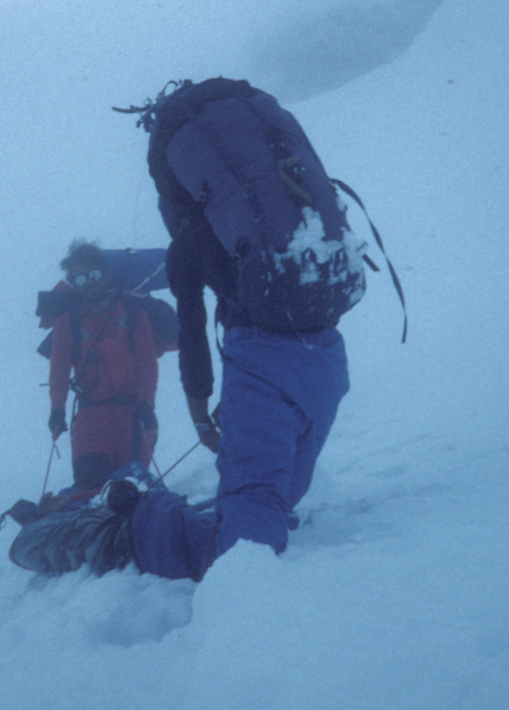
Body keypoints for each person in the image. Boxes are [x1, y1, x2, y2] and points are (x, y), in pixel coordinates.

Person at [122, 78, 364, 580]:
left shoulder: (191, 245)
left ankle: (140, 539)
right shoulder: (277, 226)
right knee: (274, 500)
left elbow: (192, 335)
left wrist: (202, 417)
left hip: (261, 362)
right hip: (325, 355)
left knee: (250, 520)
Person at [42, 241, 161, 508]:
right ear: (73, 283)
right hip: (91, 420)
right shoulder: (68, 323)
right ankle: (73, 507)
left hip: (134, 416)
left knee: (130, 492)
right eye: (81, 278)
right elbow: (59, 371)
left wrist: (147, 402)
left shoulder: (134, 315)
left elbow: (147, 365)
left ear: (106, 275)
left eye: (94, 274)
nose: (89, 282)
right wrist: (57, 410)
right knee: (93, 484)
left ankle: (66, 503)